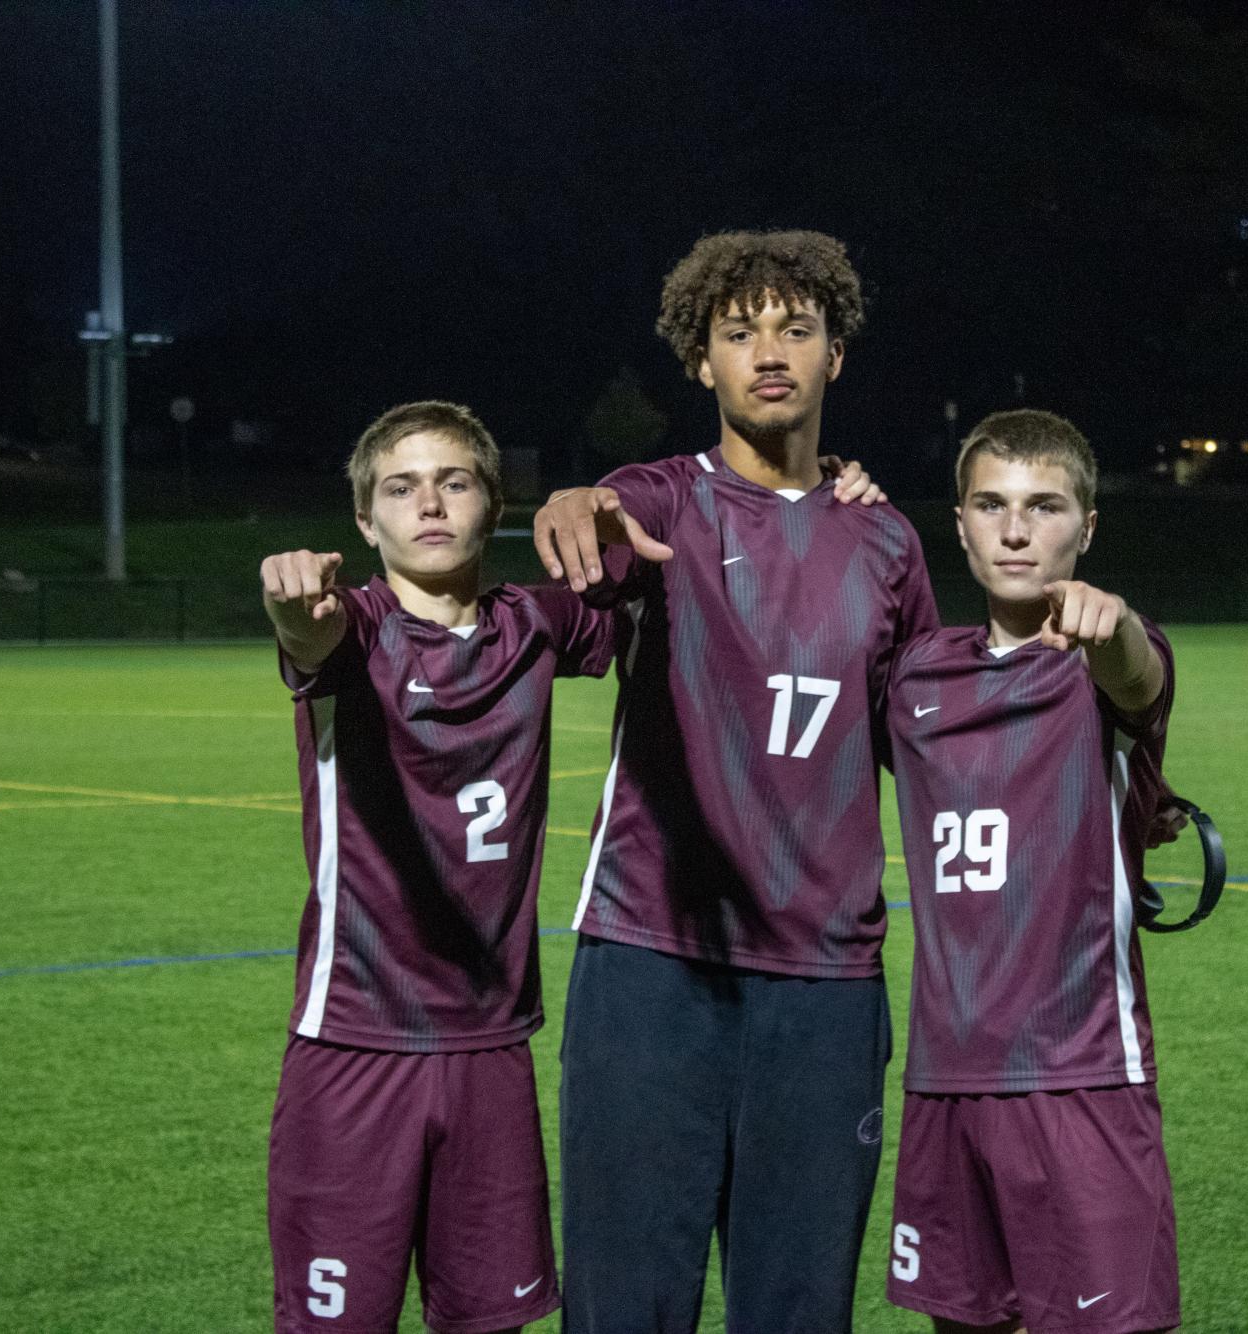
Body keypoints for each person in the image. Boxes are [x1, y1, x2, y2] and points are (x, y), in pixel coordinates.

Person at [532, 229, 940, 1332]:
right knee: (624, 1306)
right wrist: (577, 501)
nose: (769, 352)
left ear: (834, 357)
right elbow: (599, 535)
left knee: (800, 1310)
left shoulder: (890, 542)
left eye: (796, 329)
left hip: (824, 980)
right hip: (651, 968)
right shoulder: (659, 502)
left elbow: (943, 743)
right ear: (701, 361)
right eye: (739, 331)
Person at [259, 400, 620, 1334]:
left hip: (492, 1048)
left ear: (492, 505)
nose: (428, 504)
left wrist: (816, 481)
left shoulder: (537, 624)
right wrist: (291, 606)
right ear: (364, 521)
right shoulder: (352, 628)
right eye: (400, 487)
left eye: (453, 482)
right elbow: (307, 639)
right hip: (354, 1043)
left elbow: (678, 584)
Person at [883, 408, 1181, 1334]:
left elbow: (1140, 677)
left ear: (1085, 528)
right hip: (944, 1077)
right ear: (961, 521)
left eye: (1044, 506)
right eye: (991, 504)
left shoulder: (1105, 663)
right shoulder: (914, 674)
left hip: (1078, 1075)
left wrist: (1114, 623)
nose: (1015, 530)